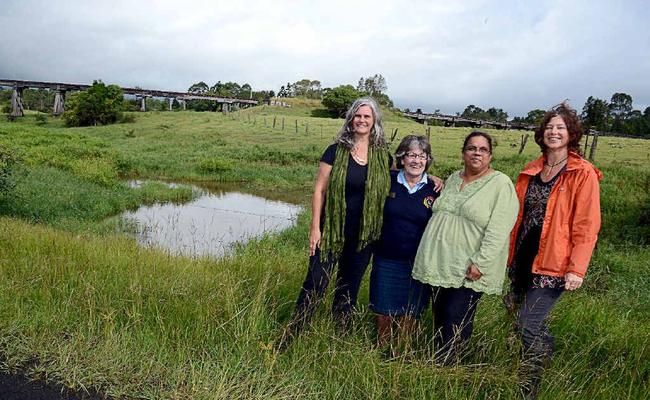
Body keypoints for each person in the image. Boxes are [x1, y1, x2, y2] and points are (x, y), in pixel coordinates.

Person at [278, 97, 392, 349]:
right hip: (330, 232)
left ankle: (337, 340)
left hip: (363, 237)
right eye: (358, 115)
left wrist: (434, 178)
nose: (362, 120)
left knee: (348, 290)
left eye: (367, 117)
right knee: (315, 285)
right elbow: (319, 191)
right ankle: (290, 338)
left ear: (374, 122)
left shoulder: (384, 156)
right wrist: (315, 228)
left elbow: (402, 176)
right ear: (351, 119)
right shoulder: (335, 150)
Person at [505, 103, 601, 399]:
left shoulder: (582, 173)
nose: (554, 132)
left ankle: (529, 388)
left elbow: (587, 223)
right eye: (549, 127)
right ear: (541, 134)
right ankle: (544, 349)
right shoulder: (532, 169)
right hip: (523, 257)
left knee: (527, 322)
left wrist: (576, 268)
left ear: (572, 134)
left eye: (560, 128)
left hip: (554, 262)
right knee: (516, 314)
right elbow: (516, 216)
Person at [412, 131, 519, 364]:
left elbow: (500, 229)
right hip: (440, 263)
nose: (476, 153)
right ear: (463, 153)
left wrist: (481, 262)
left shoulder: (500, 184)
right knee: (440, 315)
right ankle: (440, 361)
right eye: (472, 148)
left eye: (483, 149)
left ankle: (450, 367)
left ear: (490, 156)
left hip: (468, 266)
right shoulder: (452, 179)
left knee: (455, 316)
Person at [369, 135, 439, 347]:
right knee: (384, 310)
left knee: (411, 312)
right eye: (411, 155)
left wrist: (436, 179)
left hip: (418, 262)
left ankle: (401, 353)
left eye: (422, 156)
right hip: (386, 259)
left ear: (427, 160)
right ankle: (382, 352)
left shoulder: (435, 189)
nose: (416, 161)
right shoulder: (387, 180)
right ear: (402, 158)